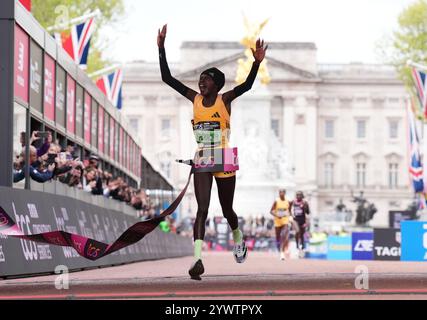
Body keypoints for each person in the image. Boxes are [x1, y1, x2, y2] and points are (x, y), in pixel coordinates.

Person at [158, 24, 267, 280]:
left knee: (227, 209)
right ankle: (197, 259)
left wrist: (256, 63)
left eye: (205, 80)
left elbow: (248, 86)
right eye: (200, 80)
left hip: (225, 157)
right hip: (203, 156)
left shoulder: (224, 100)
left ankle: (237, 235)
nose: (200, 83)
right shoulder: (194, 98)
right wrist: (161, 49)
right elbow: (168, 79)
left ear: (216, 85)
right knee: (202, 209)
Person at [270, 189, 291, 260]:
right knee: (278, 237)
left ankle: (282, 252)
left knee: (284, 235)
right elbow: (271, 211)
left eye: (282, 193)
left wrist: (290, 217)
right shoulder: (276, 201)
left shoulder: (288, 201)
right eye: (280, 193)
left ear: (285, 193)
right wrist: (276, 215)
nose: (281, 194)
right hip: (277, 221)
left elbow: (290, 211)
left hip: (285, 220)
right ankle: (278, 247)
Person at [290, 191, 310, 258]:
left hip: (303, 220)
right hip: (295, 220)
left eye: (300, 195)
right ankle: (296, 245)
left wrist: (305, 207)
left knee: (301, 235)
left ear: (302, 196)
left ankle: (301, 248)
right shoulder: (293, 202)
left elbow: (308, 212)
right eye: (297, 195)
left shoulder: (305, 203)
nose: (298, 196)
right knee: (297, 231)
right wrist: (291, 215)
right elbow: (289, 209)